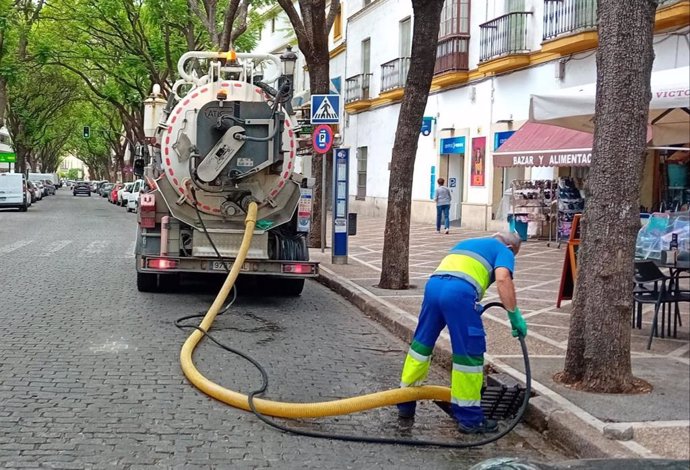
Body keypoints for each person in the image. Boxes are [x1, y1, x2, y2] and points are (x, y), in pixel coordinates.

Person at [396, 232, 528, 434]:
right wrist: (514, 315)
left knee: (421, 345)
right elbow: (503, 279)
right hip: (459, 293)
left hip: (433, 287)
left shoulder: (468, 242)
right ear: (511, 248)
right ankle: (470, 419)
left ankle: (405, 403)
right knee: (468, 355)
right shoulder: (505, 250)